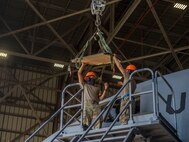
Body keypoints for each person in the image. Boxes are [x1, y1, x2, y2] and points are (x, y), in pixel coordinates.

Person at [78, 63, 108, 129]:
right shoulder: (84, 85)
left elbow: (100, 98)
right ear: (87, 79)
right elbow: (79, 73)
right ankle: (85, 133)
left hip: (95, 105)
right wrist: (83, 65)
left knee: (98, 120)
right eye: (90, 77)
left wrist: (105, 89)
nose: (92, 78)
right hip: (87, 104)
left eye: (93, 77)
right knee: (86, 122)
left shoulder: (97, 88)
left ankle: (97, 132)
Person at [113, 55, 137, 124]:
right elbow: (128, 87)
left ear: (128, 71)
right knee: (129, 116)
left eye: (126, 70)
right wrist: (122, 84)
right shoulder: (134, 82)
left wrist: (114, 58)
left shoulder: (127, 76)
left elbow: (119, 66)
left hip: (126, 99)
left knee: (124, 118)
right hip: (130, 99)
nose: (125, 71)